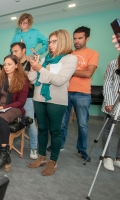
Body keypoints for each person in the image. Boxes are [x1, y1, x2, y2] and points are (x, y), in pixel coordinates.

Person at [27, 29, 77, 176]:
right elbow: (32, 79)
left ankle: (52, 162)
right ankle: (41, 158)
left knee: (55, 131)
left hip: (56, 100)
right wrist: (33, 67)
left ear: (63, 41)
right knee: (42, 128)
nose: (50, 44)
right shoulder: (44, 58)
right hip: (39, 98)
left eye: (54, 41)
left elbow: (60, 80)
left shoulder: (69, 59)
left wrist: (41, 69)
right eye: (49, 41)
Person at [58, 26, 99, 162]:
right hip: (65, 91)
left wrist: (68, 70)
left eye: (80, 38)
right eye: (75, 38)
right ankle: (59, 145)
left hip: (83, 93)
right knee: (63, 122)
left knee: (82, 124)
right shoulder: (69, 54)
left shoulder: (93, 53)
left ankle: (82, 150)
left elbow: (88, 73)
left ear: (87, 38)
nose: (76, 41)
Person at [0, 55, 29, 170]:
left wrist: (5, 108)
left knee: (2, 118)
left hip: (15, 107)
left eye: (9, 64)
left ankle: (4, 154)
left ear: (16, 66)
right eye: (5, 64)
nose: (6, 67)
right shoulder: (0, 78)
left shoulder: (23, 80)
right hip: (1, 108)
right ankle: (8, 120)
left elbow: (21, 102)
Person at [11, 42, 38, 160]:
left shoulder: (31, 62)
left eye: (16, 51)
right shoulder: (13, 64)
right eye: (12, 51)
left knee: (31, 123)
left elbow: (33, 81)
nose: (14, 53)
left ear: (23, 50)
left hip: (28, 98)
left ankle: (33, 147)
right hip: (14, 97)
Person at [101, 54, 120, 171]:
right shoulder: (113, 63)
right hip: (112, 101)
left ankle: (118, 158)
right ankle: (107, 156)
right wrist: (109, 102)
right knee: (108, 130)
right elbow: (107, 83)